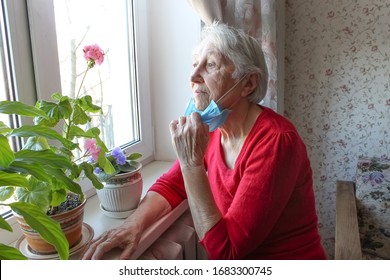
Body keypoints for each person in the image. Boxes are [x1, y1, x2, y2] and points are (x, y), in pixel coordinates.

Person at [82, 22, 327, 260]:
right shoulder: (211, 129)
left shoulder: (276, 142)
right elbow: (173, 185)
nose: (193, 75)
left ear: (248, 83)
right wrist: (132, 226)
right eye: (194, 64)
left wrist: (191, 164)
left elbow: (226, 252)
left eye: (210, 65)